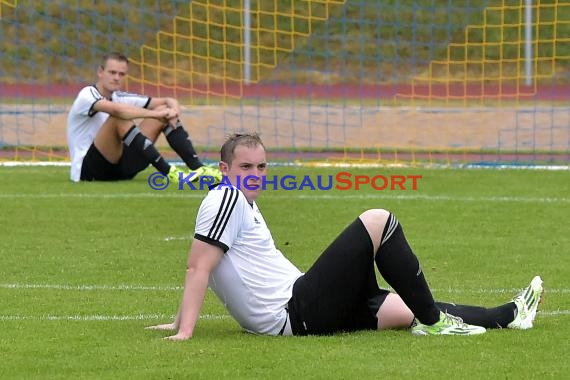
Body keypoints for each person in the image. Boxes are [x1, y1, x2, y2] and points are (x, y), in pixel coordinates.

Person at [147, 132, 543, 339]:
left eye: (263, 165)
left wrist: (177, 320)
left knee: (405, 311)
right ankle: (439, 325)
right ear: (224, 168)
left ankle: (510, 315)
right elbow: (198, 266)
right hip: (296, 311)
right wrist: (184, 330)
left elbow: (212, 266)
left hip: (306, 304)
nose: (256, 173)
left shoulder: (244, 201)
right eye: (246, 165)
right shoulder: (227, 198)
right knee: (378, 220)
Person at [67, 51, 221, 183]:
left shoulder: (120, 96)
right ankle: (170, 173)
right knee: (118, 117)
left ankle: (198, 168)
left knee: (163, 109)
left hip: (120, 168)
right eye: (112, 72)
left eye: (121, 74)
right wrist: (157, 114)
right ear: (100, 72)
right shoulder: (87, 94)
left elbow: (167, 101)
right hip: (88, 171)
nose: (116, 77)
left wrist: (173, 110)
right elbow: (117, 110)